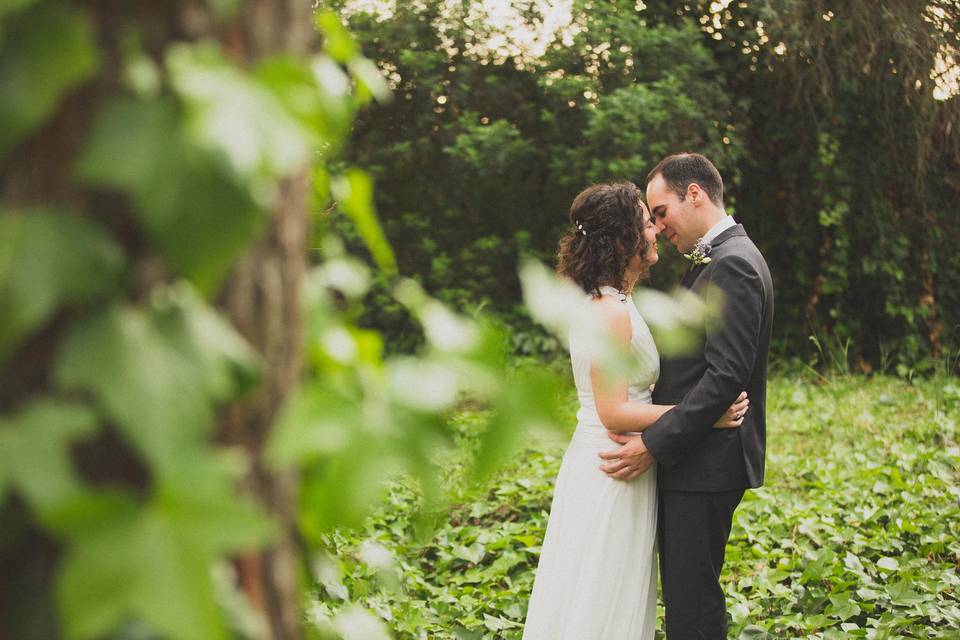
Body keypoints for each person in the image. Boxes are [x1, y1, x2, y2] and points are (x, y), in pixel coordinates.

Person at [522, 181, 749, 639]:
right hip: (610, 468)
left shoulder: (614, 301)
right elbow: (614, 412)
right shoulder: (609, 310)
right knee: (601, 591)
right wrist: (701, 413)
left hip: (621, 464)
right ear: (624, 239)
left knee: (609, 589)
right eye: (648, 222)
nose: (656, 230)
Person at [599, 153, 774, 639]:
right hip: (697, 457)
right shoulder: (717, 260)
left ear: (693, 193)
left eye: (660, 212)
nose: (657, 227)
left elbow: (724, 377)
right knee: (687, 595)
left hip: (705, 464)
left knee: (692, 603)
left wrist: (652, 443)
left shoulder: (733, 264)